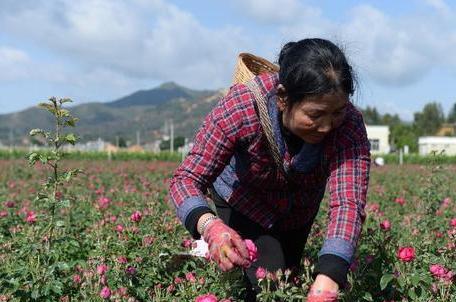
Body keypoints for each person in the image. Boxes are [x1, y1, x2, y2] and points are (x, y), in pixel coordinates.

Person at [169, 38, 371, 301]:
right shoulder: (241, 108)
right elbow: (186, 179)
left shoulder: (350, 126)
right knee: (267, 287)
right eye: (315, 115)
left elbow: (348, 203)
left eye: (337, 112)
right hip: (244, 199)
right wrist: (211, 227)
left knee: (291, 278)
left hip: (299, 208)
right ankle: (207, 250)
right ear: (283, 98)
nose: (327, 126)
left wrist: (330, 276)